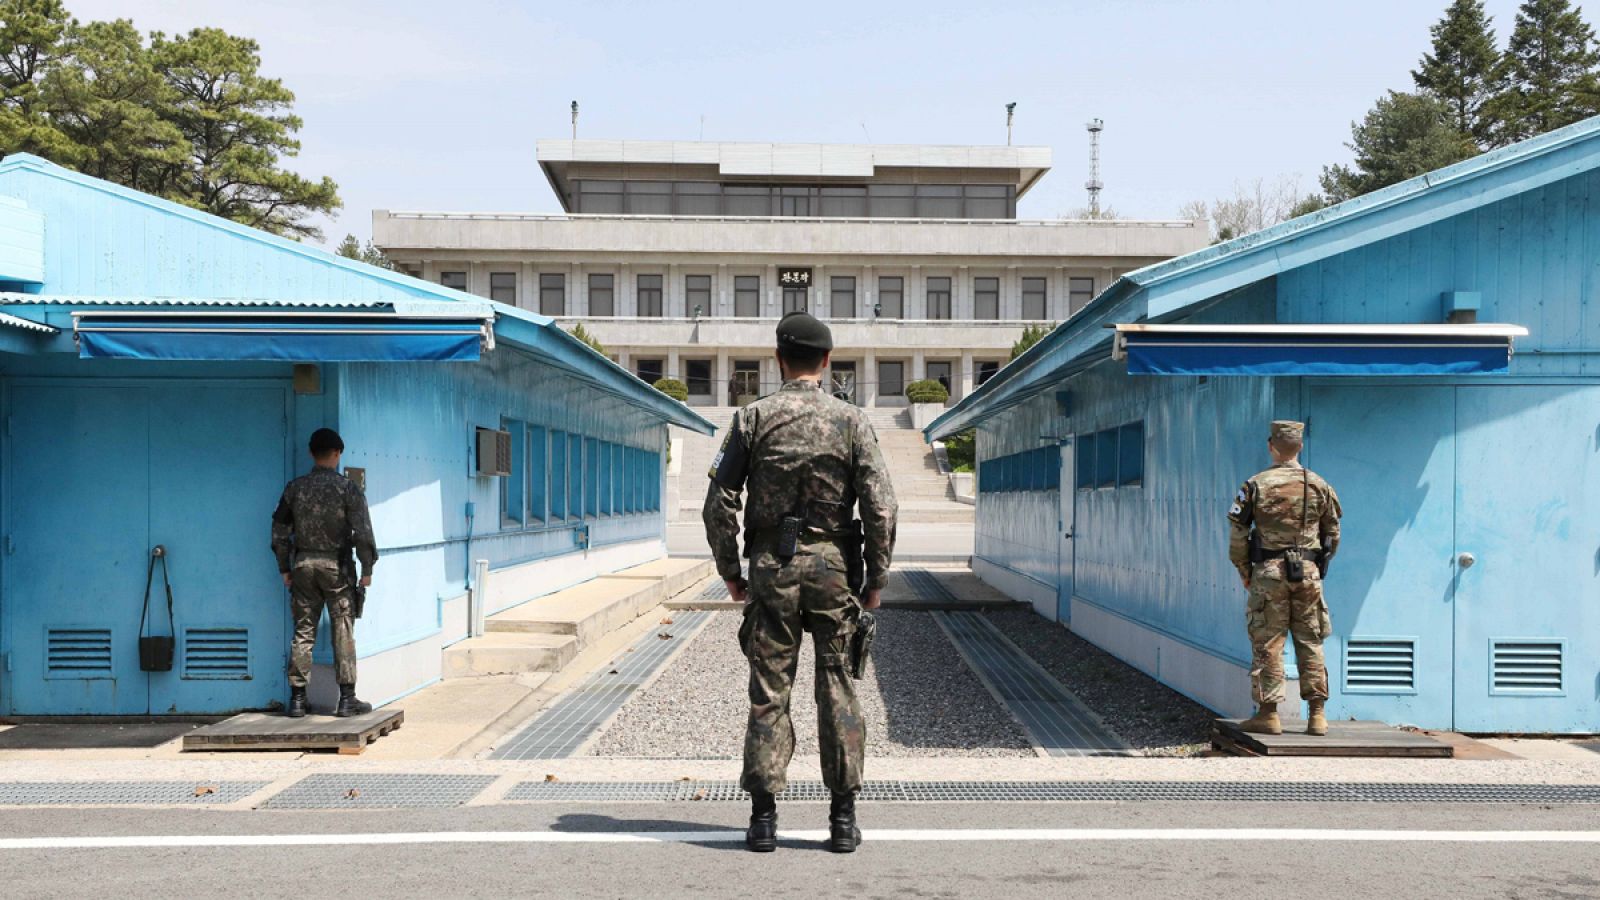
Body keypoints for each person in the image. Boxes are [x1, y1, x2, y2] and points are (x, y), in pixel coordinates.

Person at [703, 311, 897, 854]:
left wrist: (731, 573)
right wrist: (876, 578)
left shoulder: (752, 419)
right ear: (828, 361)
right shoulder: (853, 421)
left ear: (779, 359)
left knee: (770, 693)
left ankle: (763, 819)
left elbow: (719, 502)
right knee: (837, 688)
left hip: (773, 570)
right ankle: (841, 819)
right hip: (835, 571)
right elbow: (882, 505)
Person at [1227, 420, 1342, 737]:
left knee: (1268, 642)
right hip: (1307, 573)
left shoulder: (1255, 485)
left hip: (1268, 574)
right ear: (1300, 446)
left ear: (1271, 446)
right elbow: (1332, 535)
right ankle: (1317, 715)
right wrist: (1318, 565)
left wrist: (1244, 570)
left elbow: (1238, 534)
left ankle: (1268, 714)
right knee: (1311, 641)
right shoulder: (1319, 484)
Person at [271, 428, 378, 718]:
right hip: (337, 568)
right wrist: (367, 569)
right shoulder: (348, 489)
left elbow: (279, 531)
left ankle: (297, 700)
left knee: (304, 630)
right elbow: (363, 532)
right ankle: (346, 699)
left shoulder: (294, 488)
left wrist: (284, 567)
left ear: (311, 454)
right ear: (338, 453)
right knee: (342, 628)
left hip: (303, 565)